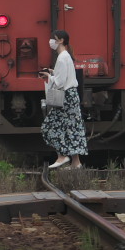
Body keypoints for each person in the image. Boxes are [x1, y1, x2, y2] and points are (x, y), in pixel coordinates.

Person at [39, 30, 88, 169]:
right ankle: (76, 162)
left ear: (60, 40)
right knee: (71, 127)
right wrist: (53, 73)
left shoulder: (61, 58)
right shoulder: (66, 56)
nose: (50, 42)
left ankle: (61, 157)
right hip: (72, 95)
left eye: (52, 39)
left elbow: (59, 83)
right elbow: (65, 76)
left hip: (65, 96)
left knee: (51, 126)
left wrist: (48, 76)